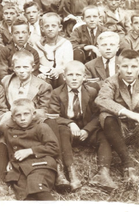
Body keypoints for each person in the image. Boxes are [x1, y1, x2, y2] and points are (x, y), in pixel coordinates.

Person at [48, 61, 117, 192]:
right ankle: (71, 172)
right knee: (62, 131)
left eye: (78, 75)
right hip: (68, 131)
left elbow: (98, 115)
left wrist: (87, 129)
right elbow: (52, 116)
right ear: (64, 76)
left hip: (86, 131)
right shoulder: (57, 93)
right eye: (70, 75)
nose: (74, 78)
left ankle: (103, 173)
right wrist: (70, 123)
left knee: (103, 136)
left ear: (84, 77)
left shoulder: (91, 91)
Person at [0, 50, 52, 187]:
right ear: (13, 67)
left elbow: (44, 111)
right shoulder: (6, 81)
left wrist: (23, 115)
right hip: (9, 121)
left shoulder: (43, 85)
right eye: (18, 67)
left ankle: (15, 167)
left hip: (28, 123)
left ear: (33, 67)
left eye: (26, 67)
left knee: (6, 127)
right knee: (0, 139)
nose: (22, 71)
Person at [0, 98, 59, 200]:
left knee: (37, 187)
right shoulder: (9, 131)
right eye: (18, 115)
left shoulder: (41, 127)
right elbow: (11, 148)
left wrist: (30, 151)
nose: (22, 118)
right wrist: (11, 160)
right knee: (24, 195)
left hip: (41, 165)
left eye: (26, 114)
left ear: (34, 114)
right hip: (20, 168)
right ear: (13, 118)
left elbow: (54, 147)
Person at [95, 49, 139, 183]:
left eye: (134, 67)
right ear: (118, 67)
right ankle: (127, 164)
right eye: (125, 66)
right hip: (119, 128)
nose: (129, 71)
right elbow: (101, 99)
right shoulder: (111, 81)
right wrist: (129, 113)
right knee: (106, 116)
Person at [35, 12, 73, 89]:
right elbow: (37, 64)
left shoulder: (66, 44)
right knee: (43, 83)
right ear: (42, 29)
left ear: (60, 27)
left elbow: (68, 64)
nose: (50, 29)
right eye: (47, 26)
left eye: (53, 26)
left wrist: (59, 71)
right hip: (44, 76)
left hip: (61, 76)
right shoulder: (38, 45)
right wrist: (41, 73)